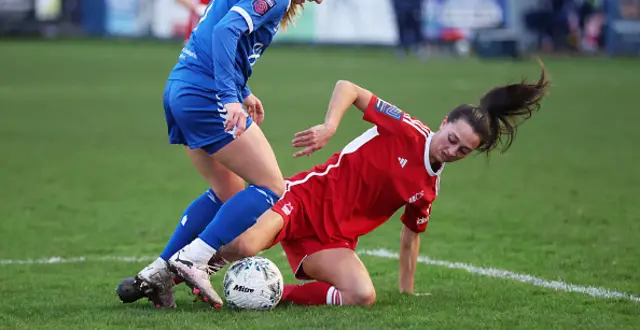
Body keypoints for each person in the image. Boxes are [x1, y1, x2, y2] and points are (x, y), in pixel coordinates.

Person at [118, 65, 548, 308]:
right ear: (443, 123)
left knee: (362, 295)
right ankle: (164, 279)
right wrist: (329, 125)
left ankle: (271, 295)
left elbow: (411, 237)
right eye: (452, 138)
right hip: (304, 199)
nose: (454, 149)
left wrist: (408, 290)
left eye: (464, 151)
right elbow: (349, 87)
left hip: (334, 240)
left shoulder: (428, 188)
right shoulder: (406, 130)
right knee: (245, 246)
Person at [132, 0, 347, 308]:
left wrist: (242, 90)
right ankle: (193, 260)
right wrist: (228, 96)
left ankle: (158, 273)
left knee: (226, 193)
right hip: (204, 94)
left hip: (182, 86)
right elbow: (226, 30)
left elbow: (221, 32)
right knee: (272, 188)